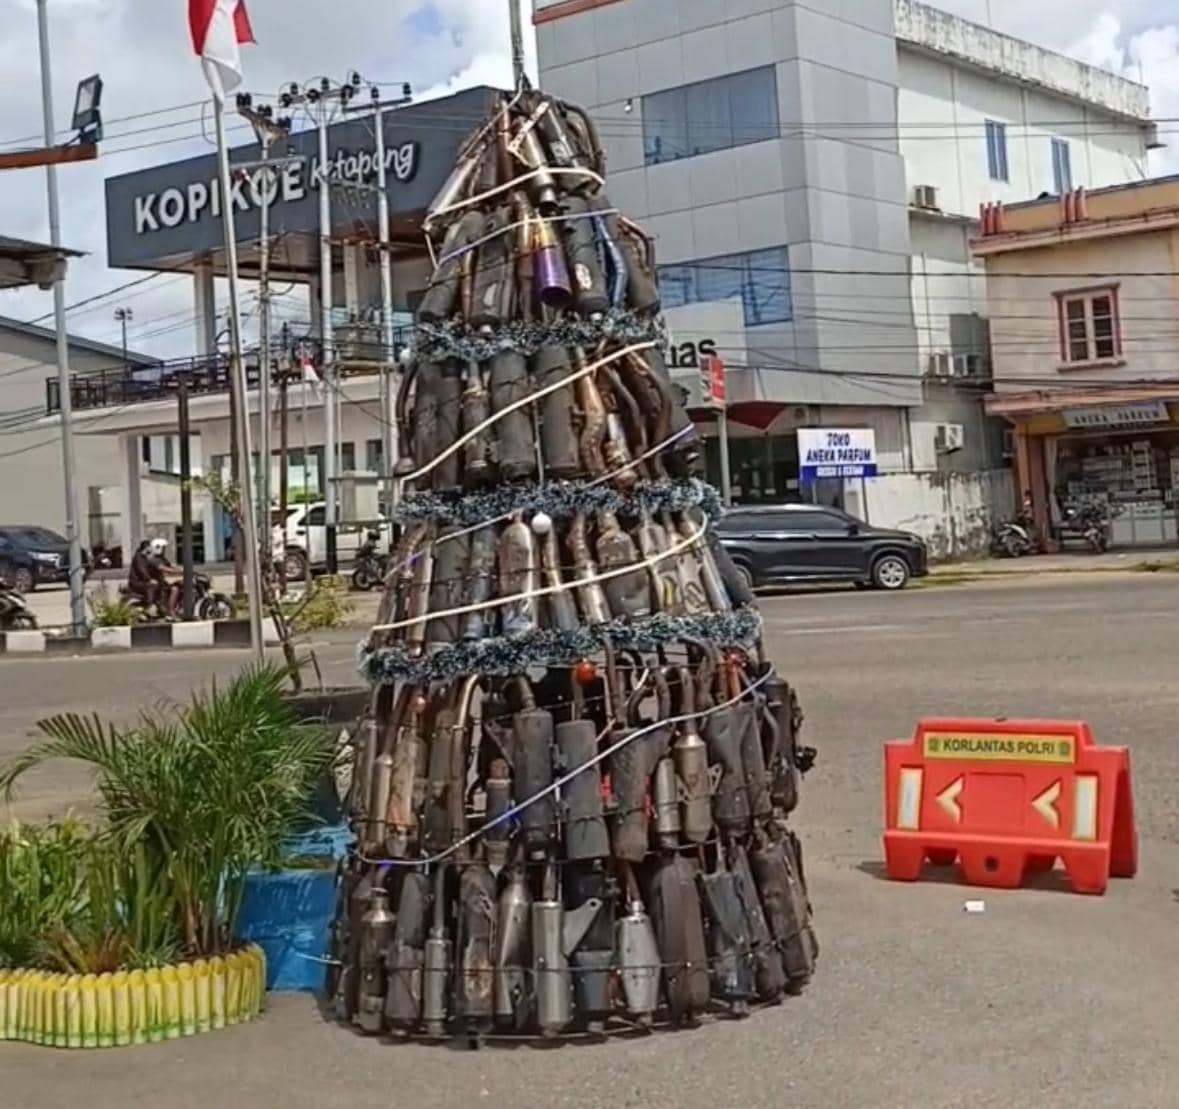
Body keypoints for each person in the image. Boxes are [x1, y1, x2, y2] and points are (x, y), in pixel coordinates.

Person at [148, 537, 182, 618]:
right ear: (157, 547)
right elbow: (163, 568)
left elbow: (171, 566)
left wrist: (181, 568)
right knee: (175, 589)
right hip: (157, 582)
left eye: (164, 548)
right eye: (162, 547)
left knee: (181, 584)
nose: (164, 549)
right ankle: (171, 611)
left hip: (163, 580)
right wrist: (178, 572)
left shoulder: (162, 558)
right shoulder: (154, 559)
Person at [126, 539, 159, 612]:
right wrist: (149, 579)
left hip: (141, 581)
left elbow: (151, 568)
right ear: (147, 547)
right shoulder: (138, 557)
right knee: (152, 586)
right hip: (137, 582)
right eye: (150, 547)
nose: (152, 549)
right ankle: (149, 606)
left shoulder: (144, 557)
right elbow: (142, 571)